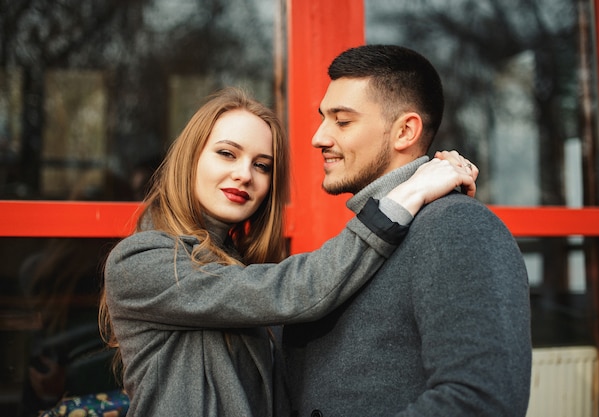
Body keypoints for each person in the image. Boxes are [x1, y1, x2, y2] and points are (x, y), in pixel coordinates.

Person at [98, 87, 478, 416]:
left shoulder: (243, 266)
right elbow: (299, 290)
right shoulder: (139, 262)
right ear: (190, 158)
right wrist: (412, 190)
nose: (245, 174)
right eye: (227, 154)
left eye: (262, 165)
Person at [282, 44, 532, 417]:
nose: (319, 137)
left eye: (342, 121)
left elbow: (481, 399)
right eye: (323, 118)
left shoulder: (456, 226)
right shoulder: (371, 232)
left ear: (405, 131)